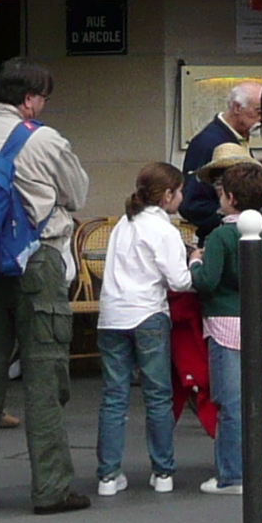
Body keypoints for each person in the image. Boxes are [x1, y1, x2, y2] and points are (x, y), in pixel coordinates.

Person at [0, 58, 93, 517]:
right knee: (43, 378)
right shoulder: (43, 138)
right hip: (37, 263)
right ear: (30, 99)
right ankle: (51, 489)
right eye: (43, 97)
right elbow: (77, 195)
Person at [191, 157, 262, 496]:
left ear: (230, 198)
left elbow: (206, 281)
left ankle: (231, 474)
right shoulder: (261, 237)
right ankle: (257, 461)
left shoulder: (221, 237)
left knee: (228, 402)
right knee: (256, 396)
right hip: (253, 322)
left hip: (222, 321)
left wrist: (195, 263)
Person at [94, 162, 188, 496]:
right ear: (167, 195)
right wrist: (197, 262)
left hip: (111, 315)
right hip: (148, 313)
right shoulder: (165, 230)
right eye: (178, 191)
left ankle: (107, 476)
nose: (181, 197)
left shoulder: (123, 224)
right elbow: (180, 280)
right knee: (157, 396)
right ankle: (163, 472)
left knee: (114, 397)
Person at [180, 80, 262, 237]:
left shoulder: (237, 137)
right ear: (237, 107)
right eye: (258, 112)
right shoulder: (207, 143)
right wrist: (228, 220)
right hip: (219, 234)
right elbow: (190, 203)